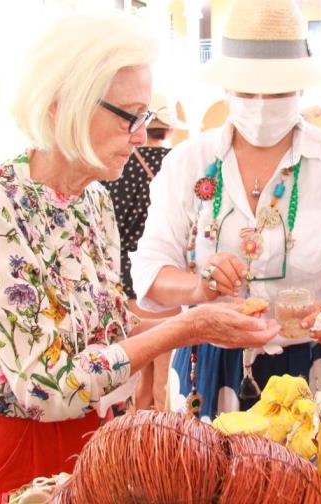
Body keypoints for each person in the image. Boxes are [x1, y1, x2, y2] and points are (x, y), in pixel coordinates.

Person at [0, 13, 278, 502]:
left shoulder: (94, 199)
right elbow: (48, 386)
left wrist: (203, 318)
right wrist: (187, 327)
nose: (139, 135)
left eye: (145, 118)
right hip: (11, 438)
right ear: (63, 105)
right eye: (128, 116)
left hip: (89, 427)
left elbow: (105, 327)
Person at [130, 0, 321, 420]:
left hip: (308, 366)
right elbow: (150, 270)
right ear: (226, 87)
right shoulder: (187, 162)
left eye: (277, 91)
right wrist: (200, 288)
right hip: (205, 364)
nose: (260, 103)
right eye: (247, 90)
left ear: (301, 87)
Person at [101, 93, 184, 410]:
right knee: (166, 382)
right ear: (170, 129)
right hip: (164, 280)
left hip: (125, 282)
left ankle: (137, 433)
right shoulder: (176, 164)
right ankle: (164, 437)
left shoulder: (117, 168)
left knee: (136, 381)